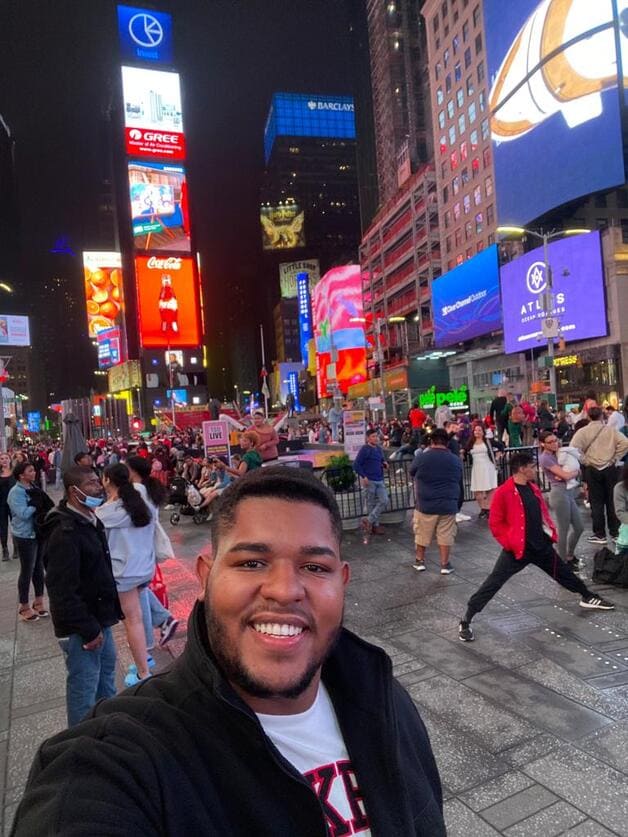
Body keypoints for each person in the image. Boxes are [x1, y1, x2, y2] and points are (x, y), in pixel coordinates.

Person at [12, 467, 445, 836]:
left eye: (314, 567)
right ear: (206, 576)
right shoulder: (121, 759)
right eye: (252, 562)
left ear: (342, 583)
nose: (285, 590)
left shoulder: (387, 702)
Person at [458, 452, 614, 643]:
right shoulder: (504, 492)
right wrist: (510, 543)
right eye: (532, 466)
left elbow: (541, 514)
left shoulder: (533, 488)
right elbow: (495, 523)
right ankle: (467, 618)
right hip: (517, 550)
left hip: (541, 546)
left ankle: (587, 596)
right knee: (494, 582)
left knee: (563, 572)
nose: (535, 470)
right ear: (522, 469)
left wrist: (550, 533)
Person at [41, 466, 123, 726]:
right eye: (90, 484)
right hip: (82, 628)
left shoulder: (89, 518)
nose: (98, 487)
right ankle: (81, 745)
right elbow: (61, 589)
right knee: (83, 691)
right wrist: (88, 630)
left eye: (98, 482)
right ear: (73, 491)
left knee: (106, 679)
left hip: (101, 618)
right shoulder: (64, 531)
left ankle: (107, 731)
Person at [97, 463, 156, 685]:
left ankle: (143, 672)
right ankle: (145, 657)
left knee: (133, 621)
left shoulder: (105, 513)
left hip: (124, 572)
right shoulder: (141, 497)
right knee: (137, 617)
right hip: (145, 567)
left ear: (106, 480)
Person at [127, 456, 179, 649]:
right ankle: (165, 620)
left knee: (138, 591)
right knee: (141, 589)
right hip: (144, 546)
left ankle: (147, 642)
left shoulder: (138, 491)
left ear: (133, 471)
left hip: (139, 547)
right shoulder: (149, 488)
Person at [571, 406, 628, 544]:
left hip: (592, 468)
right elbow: (625, 443)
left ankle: (599, 534)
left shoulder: (582, 432)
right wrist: (615, 458)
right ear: (602, 416)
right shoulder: (611, 431)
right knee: (612, 501)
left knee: (596, 502)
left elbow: (573, 448)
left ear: (589, 417)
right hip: (610, 467)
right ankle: (615, 533)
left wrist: (584, 459)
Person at [410, 428, 462, 574]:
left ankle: (420, 561)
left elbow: (412, 471)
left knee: (422, 532)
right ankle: (445, 564)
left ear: (431, 441)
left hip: (425, 503)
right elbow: (458, 477)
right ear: (447, 443)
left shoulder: (422, 457)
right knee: (446, 534)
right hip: (448, 503)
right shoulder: (455, 459)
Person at [8, 461, 48, 622]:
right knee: (27, 570)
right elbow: (23, 514)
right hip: (24, 535)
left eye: (33, 470)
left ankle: (39, 601)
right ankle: (23, 606)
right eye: (30, 471)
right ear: (21, 475)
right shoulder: (16, 492)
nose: (34, 473)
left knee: (39, 568)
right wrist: (35, 506)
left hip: (38, 533)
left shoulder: (34, 487)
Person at [538, 431, 583, 568]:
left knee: (579, 527)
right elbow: (565, 475)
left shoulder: (558, 453)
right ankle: (562, 561)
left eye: (555, 440)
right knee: (563, 529)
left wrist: (570, 473)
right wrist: (575, 472)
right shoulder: (545, 457)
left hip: (567, 492)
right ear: (543, 444)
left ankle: (569, 555)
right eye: (550, 442)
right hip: (559, 493)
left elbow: (568, 473)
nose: (554, 444)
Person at [353, 428, 389, 536]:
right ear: (368, 438)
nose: (375, 438)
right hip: (370, 480)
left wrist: (385, 464)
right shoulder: (365, 449)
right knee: (370, 503)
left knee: (384, 500)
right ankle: (374, 526)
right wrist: (363, 476)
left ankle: (369, 520)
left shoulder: (378, 449)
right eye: (373, 436)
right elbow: (356, 464)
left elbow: (382, 460)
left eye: (376, 436)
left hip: (379, 479)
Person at [466, 424, 498, 519]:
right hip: (476, 468)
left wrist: (498, 455)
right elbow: (464, 449)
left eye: (479, 430)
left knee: (490, 489)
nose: (477, 432)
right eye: (475, 430)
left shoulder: (488, 441)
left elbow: (500, 446)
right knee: (477, 491)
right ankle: (483, 507)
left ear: (483, 432)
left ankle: (488, 508)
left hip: (488, 466)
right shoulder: (470, 442)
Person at [0, 452, 15, 561]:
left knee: (15, 526)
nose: (4, 460)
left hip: (14, 504)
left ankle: (17, 548)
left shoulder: (15, 473)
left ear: (10, 460)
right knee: (3, 527)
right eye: (2, 458)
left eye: (6, 458)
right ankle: (5, 549)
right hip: (1, 504)